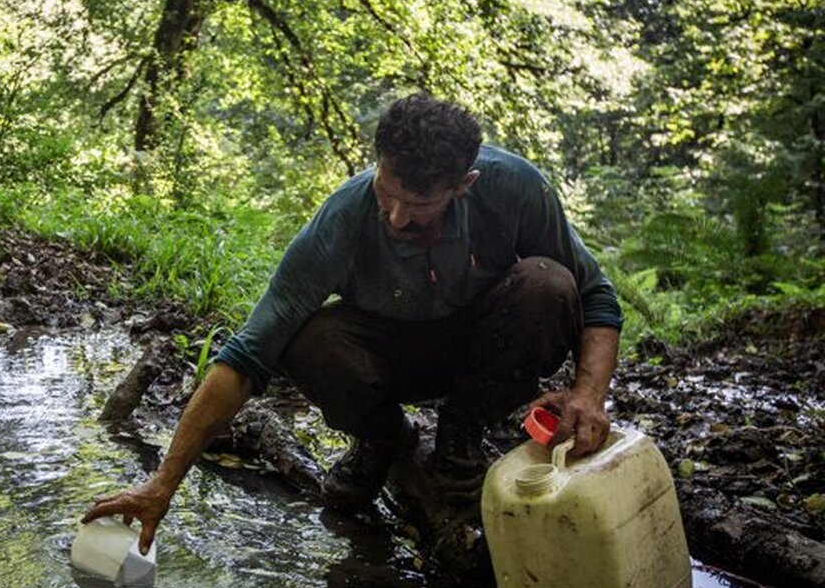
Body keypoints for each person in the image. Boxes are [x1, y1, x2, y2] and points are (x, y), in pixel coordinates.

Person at [83, 94, 622, 554]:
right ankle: (383, 440)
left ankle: (462, 435)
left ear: (464, 185)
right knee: (307, 335)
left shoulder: (516, 189)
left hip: (485, 349)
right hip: (388, 353)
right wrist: (161, 485)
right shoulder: (343, 215)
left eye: (418, 205)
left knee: (549, 283)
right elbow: (248, 353)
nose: (395, 217)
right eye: (386, 193)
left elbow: (595, 296)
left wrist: (586, 395)